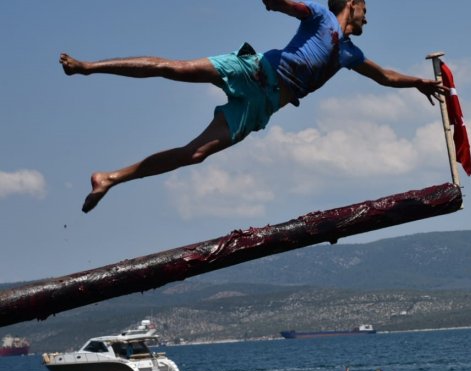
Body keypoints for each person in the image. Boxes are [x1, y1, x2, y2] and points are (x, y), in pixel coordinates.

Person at [59, 0, 448, 213]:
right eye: (366, 6)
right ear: (351, 2)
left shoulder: (348, 52)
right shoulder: (320, 15)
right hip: (253, 71)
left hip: (262, 108)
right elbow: (279, 3)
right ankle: (87, 68)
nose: (369, 14)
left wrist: (418, 82)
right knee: (173, 68)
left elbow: (384, 75)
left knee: (193, 155)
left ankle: (109, 178)